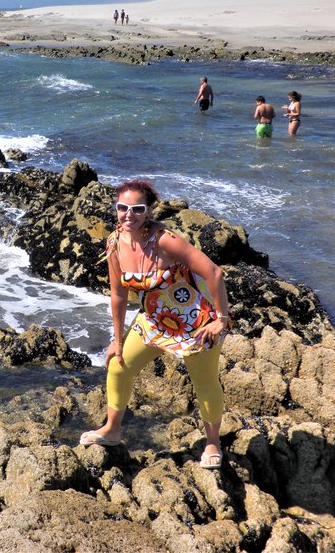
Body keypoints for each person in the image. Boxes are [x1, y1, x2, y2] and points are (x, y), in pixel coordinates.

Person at [79, 180, 232, 470]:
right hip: (153, 320)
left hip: (194, 321)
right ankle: (112, 430)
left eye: (136, 209)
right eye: (122, 207)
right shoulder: (114, 243)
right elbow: (118, 294)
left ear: (148, 211)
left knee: (205, 382)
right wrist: (117, 339)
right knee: (118, 366)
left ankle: (213, 443)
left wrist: (221, 320)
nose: (128, 215)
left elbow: (214, 273)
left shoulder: (164, 240)